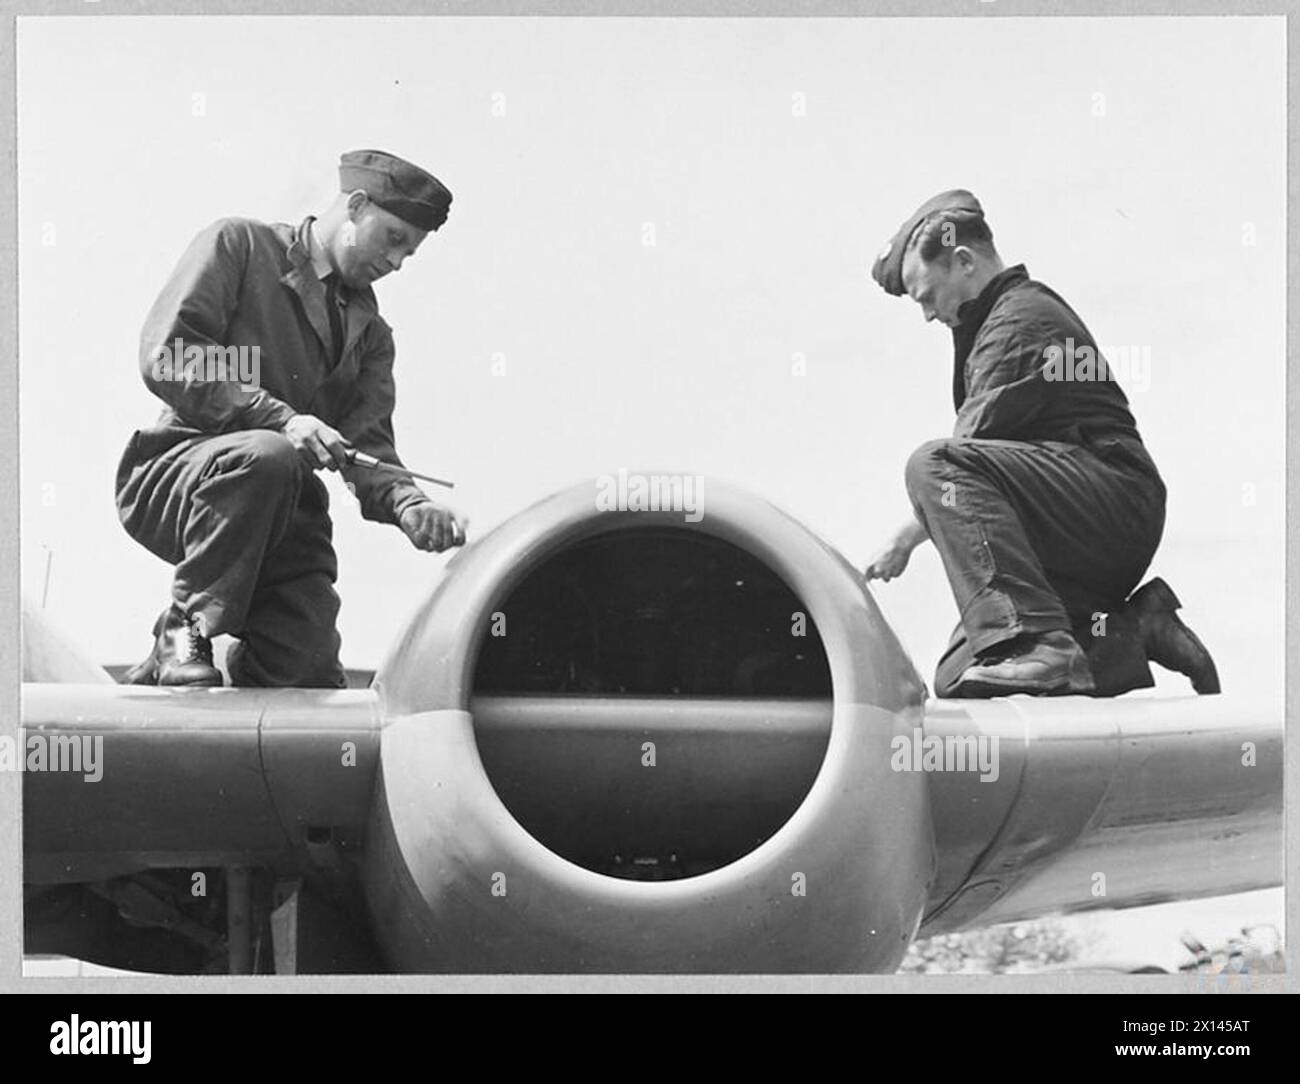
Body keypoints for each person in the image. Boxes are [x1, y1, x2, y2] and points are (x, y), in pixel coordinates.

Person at [116, 149, 465, 688]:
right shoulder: (240, 246)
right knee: (269, 456)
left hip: (287, 516)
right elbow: (171, 353)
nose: (396, 262)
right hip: (180, 475)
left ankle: (166, 696)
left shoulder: (371, 336)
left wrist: (410, 504)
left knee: (307, 682)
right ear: (354, 204)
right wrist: (281, 419)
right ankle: (182, 635)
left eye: (409, 254)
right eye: (393, 238)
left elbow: (369, 446)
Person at [864, 189, 1219, 698]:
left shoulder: (1019, 321)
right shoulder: (993, 324)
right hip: (1069, 523)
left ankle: (1045, 650)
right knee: (960, 674)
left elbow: (956, 465)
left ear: (963, 262)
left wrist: (902, 540)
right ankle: (1136, 632)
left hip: (1111, 502)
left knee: (931, 463)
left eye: (927, 295)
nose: (927, 314)